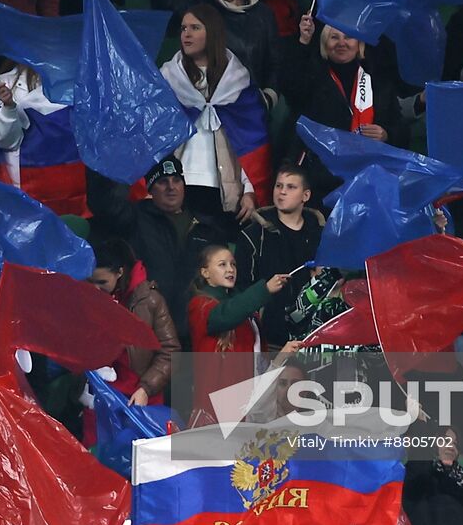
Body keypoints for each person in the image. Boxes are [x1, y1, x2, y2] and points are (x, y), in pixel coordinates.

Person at [87, 156, 230, 340]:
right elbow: (105, 202)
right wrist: (107, 156)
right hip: (151, 328)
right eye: (163, 182)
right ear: (150, 189)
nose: (171, 187)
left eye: (176, 180)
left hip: (198, 330)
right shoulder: (134, 219)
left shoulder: (207, 227)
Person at [158, 5, 270, 222]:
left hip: (224, 192)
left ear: (212, 32)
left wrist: (250, 189)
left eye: (195, 28)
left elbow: (250, 140)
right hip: (177, 188)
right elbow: (155, 138)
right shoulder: (167, 79)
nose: (186, 34)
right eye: (183, 29)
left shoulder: (237, 82)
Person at [286, 14, 406, 200]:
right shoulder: (312, 78)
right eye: (334, 37)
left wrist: (386, 134)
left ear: (359, 44)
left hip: (368, 181)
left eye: (348, 37)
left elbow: (401, 129)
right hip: (322, 181)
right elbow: (292, 88)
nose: (341, 43)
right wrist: (303, 41)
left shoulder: (379, 84)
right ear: (325, 43)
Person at [139, 0, 282, 93]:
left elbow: (274, 64)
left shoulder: (264, 14)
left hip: (249, 109)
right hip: (203, 106)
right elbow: (169, 21)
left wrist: (268, 98)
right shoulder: (200, 6)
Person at [187, 244, 290, 424]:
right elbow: (227, 315)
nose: (230, 269)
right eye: (222, 264)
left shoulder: (243, 307)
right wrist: (264, 290)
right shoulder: (200, 306)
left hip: (249, 404)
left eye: (233, 264)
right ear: (205, 272)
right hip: (219, 411)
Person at [233, 164, 325, 347]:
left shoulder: (322, 234)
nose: (282, 192)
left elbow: (336, 283)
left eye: (291, 187)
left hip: (313, 338)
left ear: (305, 196)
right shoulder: (253, 235)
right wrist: (264, 292)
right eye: (278, 186)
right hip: (270, 339)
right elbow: (241, 289)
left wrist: (323, 280)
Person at [87, 238, 180, 405]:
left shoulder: (150, 300)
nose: (95, 289)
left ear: (120, 273)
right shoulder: (87, 298)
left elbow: (170, 352)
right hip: (98, 391)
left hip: (140, 395)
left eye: (102, 283)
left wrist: (146, 388)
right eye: (90, 282)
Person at [0, 66, 87, 217]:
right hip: (27, 186)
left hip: (72, 188)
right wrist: (9, 107)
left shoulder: (79, 76)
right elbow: (6, 142)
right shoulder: (5, 82)